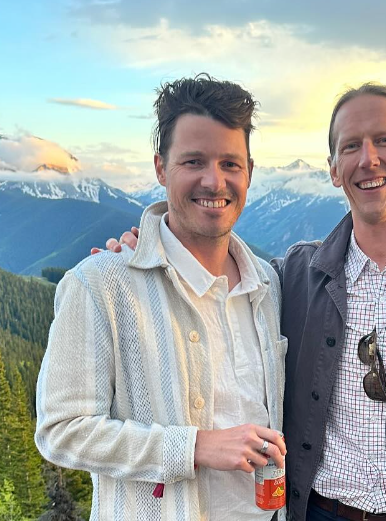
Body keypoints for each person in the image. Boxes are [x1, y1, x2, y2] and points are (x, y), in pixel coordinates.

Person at [106, 83, 386, 521]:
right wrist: (149, 249)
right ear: (333, 169)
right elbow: (216, 279)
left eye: (384, 140)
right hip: (319, 511)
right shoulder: (295, 275)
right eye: (351, 146)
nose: (368, 159)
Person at [36, 74, 288, 521]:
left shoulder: (268, 285)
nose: (214, 181)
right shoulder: (100, 285)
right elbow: (62, 430)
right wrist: (194, 447)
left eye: (230, 164)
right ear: (160, 168)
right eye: (194, 161)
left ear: (249, 171)